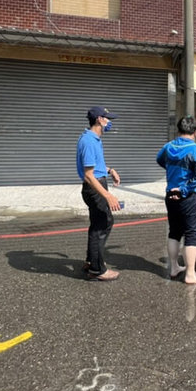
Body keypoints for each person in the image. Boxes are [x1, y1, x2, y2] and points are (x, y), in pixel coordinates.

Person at [156, 116, 196, 284]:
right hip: (188, 197)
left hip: (170, 195)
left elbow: (159, 159)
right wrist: (184, 189)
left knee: (174, 231)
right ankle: (191, 275)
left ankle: (174, 268)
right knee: (192, 234)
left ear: (178, 130)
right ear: (195, 132)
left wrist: (172, 171)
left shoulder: (168, 147)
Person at [77, 106, 122, 281]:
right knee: (103, 225)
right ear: (99, 120)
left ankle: (91, 261)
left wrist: (110, 170)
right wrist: (108, 196)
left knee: (98, 224)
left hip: (96, 184)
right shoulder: (89, 141)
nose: (109, 122)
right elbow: (89, 175)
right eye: (107, 118)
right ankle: (97, 270)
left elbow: (94, 165)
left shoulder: (93, 138)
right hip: (94, 188)